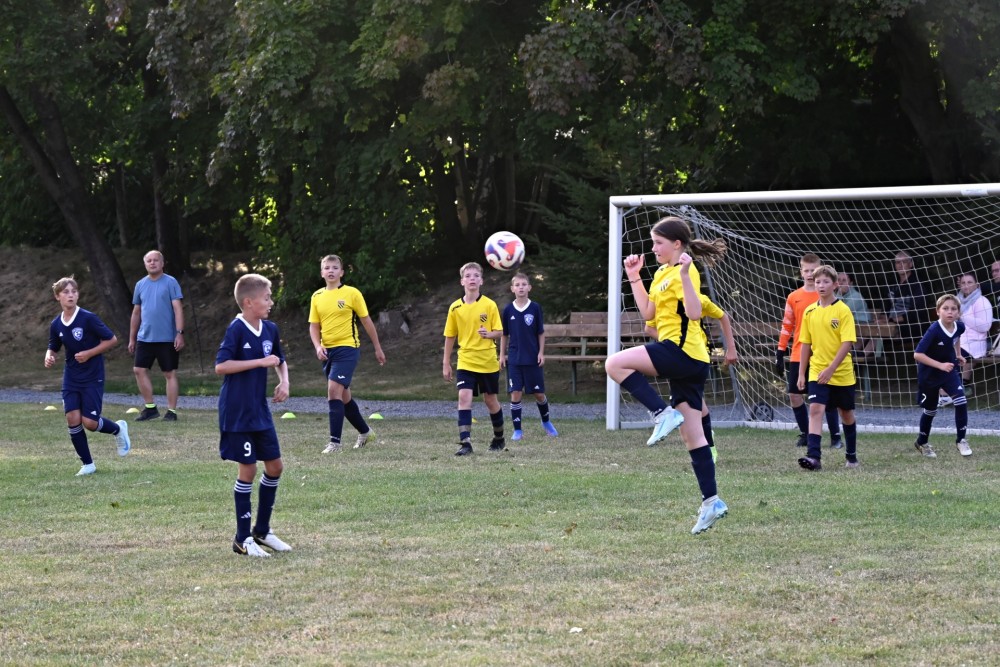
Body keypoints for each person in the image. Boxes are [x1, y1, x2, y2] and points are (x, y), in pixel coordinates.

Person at [604, 216, 728, 535]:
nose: (653, 248)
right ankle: (711, 501)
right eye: (652, 242)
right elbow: (648, 313)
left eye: (658, 242)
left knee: (614, 364)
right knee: (693, 437)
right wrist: (634, 277)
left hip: (682, 352)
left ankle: (662, 413)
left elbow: (694, 313)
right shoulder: (660, 273)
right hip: (689, 359)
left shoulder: (687, 270)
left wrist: (685, 274)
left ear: (676, 244)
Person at [215, 273, 292, 557]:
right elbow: (221, 366)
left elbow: (279, 360)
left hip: (259, 410)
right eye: (267, 298)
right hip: (236, 411)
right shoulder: (236, 329)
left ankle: (262, 531)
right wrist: (259, 362)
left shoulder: (270, 328)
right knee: (247, 470)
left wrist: (284, 381)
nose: (271, 303)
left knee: (275, 467)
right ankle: (241, 539)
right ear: (248, 302)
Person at [44, 277, 131, 476]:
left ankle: (118, 429)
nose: (71, 295)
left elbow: (111, 339)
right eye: (66, 292)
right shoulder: (56, 324)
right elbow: (53, 345)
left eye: (74, 291)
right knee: (72, 418)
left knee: (90, 423)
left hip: (92, 375)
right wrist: (49, 356)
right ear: (57, 296)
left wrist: (89, 353)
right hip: (71, 376)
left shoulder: (88, 318)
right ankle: (88, 464)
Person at [643, 291, 739, 463]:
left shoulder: (698, 299)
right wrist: (671, 342)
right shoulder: (662, 298)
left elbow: (723, 316)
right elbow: (648, 328)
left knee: (689, 402)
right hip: (677, 355)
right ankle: (707, 442)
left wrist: (731, 348)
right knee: (693, 401)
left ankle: (708, 448)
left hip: (697, 356)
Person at [308, 255, 386, 454]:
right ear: (322, 272)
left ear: (342, 272)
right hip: (328, 351)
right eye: (327, 267)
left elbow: (366, 321)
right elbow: (314, 326)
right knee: (343, 397)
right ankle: (365, 432)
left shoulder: (352, 293)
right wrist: (317, 346)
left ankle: (335, 443)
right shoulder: (317, 296)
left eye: (335, 267)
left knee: (333, 391)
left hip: (348, 349)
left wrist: (377, 347)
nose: (331, 271)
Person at [796, 265, 860, 471]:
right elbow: (805, 344)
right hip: (817, 370)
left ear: (835, 284)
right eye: (818, 282)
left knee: (846, 414)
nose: (821, 285)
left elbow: (847, 343)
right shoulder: (809, 311)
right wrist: (801, 373)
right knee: (815, 409)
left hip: (841, 373)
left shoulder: (843, 310)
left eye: (825, 282)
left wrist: (832, 369)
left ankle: (851, 457)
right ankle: (814, 457)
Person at [776, 254, 842, 449]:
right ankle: (806, 433)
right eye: (806, 270)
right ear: (801, 272)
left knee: (826, 397)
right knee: (794, 395)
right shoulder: (793, 297)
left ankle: (836, 436)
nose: (810, 274)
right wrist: (780, 351)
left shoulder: (826, 295)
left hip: (823, 354)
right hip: (799, 353)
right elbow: (787, 325)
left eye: (813, 271)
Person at [443, 262, 506, 456]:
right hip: (466, 360)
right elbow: (450, 336)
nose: (472, 279)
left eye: (476, 275)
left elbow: (500, 332)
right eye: (468, 276)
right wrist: (446, 362)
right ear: (462, 281)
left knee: (490, 401)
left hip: (487, 360)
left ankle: (499, 438)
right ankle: (466, 443)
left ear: (481, 281)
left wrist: (489, 334)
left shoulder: (489, 305)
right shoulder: (455, 307)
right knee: (464, 397)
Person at [498, 272, 558, 441]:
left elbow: (540, 333)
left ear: (529, 287)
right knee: (515, 393)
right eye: (517, 285)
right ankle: (517, 430)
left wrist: (541, 353)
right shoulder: (508, 310)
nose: (521, 288)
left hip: (532, 358)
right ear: (512, 289)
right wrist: (502, 355)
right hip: (515, 359)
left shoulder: (535, 308)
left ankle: (546, 422)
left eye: (524, 284)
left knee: (539, 394)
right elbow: (504, 334)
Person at [913, 294, 973, 458]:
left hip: (948, 371)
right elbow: (917, 354)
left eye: (953, 309)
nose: (950, 312)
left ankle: (961, 440)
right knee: (930, 410)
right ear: (938, 311)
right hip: (929, 374)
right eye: (945, 308)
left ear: (958, 312)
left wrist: (958, 354)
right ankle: (922, 442)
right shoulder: (934, 330)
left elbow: (956, 337)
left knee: (961, 401)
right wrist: (940, 365)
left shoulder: (959, 326)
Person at [128, 250, 184, 422]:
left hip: (167, 338)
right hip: (145, 337)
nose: (152, 263)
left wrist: (179, 333)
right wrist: (132, 338)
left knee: (169, 373)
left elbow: (178, 309)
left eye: (155, 260)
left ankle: (171, 411)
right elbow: (136, 312)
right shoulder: (140, 284)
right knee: (138, 370)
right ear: (145, 264)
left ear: (162, 263)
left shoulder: (171, 282)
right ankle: (150, 408)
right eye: (149, 261)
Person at [955, 273, 993, 386]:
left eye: (969, 282)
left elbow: (985, 326)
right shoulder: (957, 301)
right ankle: (957, 386)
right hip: (957, 341)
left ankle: (950, 390)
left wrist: (962, 316)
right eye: (963, 283)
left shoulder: (982, 301)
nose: (966, 285)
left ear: (977, 285)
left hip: (974, 343)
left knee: (948, 355)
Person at [885, 251, 929, 344]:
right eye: (897, 262)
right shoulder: (892, 285)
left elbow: (918, 313)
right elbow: (886, 308)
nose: (900, 265)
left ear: (910, 264)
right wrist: (883, 318)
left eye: (904, 262)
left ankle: (863, 352)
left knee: (879, 335)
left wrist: (892, 319)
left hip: (912, 328)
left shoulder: (917, 286)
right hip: (891, 326)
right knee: (874, 332)